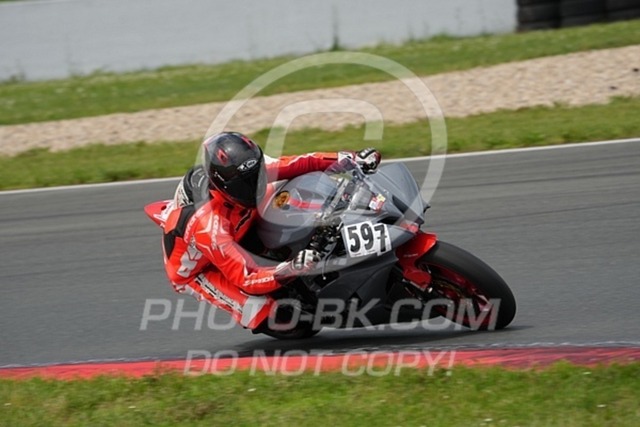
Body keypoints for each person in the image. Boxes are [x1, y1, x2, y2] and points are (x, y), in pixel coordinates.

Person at [160, 131, 381, 328]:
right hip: (200, 268)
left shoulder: (253, 168)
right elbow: (246, 278)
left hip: (241, 218)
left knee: (297, 192)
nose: (255, 185)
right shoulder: (208, 224)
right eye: (245, 184)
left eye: (257, 175)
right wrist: (291, 269)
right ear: (223, 186)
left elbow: (304, 162)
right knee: (263, 311)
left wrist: (352, 158)